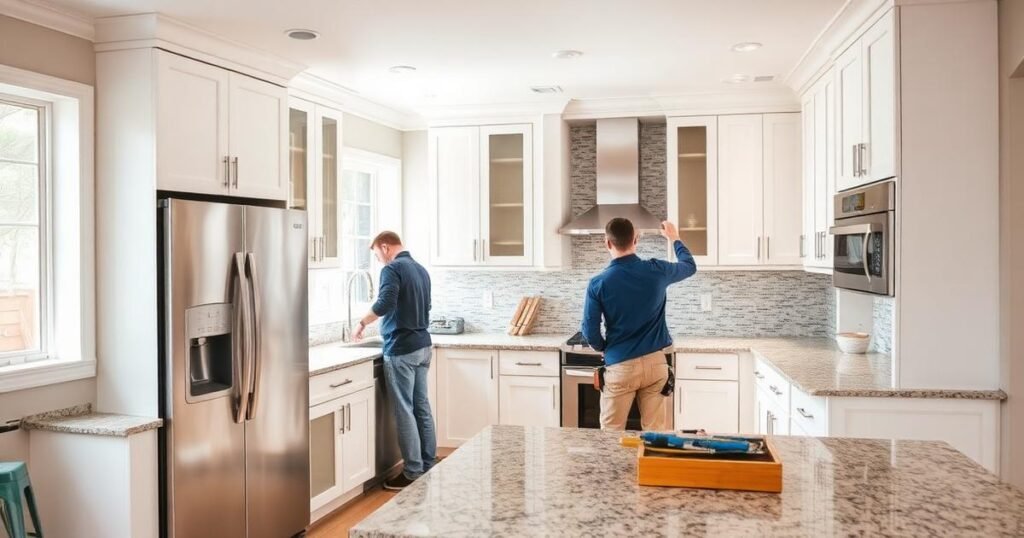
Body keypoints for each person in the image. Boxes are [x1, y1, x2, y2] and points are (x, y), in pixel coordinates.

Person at [581, 218, 697, 431]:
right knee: (655, 435)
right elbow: (689, 266)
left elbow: (589, 331)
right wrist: (674, 238)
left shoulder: (598, 283)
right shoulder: (657, 270)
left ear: (607, 243)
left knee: (610, 435)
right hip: (656, 365)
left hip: (620, 366)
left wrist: (604, 348)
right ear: (636, 240)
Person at [352, 231, 435, 490]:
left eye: (377, 255)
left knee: (404, 409)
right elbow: (427, 306)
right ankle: (428, 463)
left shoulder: (393, 269)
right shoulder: (420, 269)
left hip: (401, 348)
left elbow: (385, 302)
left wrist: (361, 323)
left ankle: (411, 472)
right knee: (421, 406)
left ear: (385, 247)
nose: (379, 260)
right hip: (422, 345)